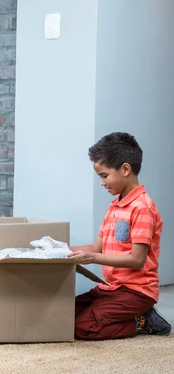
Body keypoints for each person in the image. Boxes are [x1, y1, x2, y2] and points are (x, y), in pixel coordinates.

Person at [69, 132, 171, 340]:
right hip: (111, 288)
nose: (102, 183)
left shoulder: (142, 208)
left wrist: (92, 259)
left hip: (136, 291)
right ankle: (128, 316)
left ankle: (142, 320)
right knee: (63, 314)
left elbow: (137, 260)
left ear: (125, 169)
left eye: (104, 176)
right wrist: (61, 250)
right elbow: (96, 247)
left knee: (82, 327)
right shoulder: (115, 206)